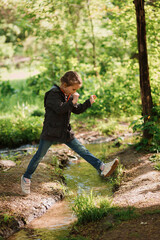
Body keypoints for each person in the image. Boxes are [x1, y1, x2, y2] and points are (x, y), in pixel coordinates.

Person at [21, 71, 119, 195]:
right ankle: (26, 177)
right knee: (39, 155)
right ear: (64, 84)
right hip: (51, 131)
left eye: (75, 90)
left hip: (64, 131)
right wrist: (72, 101)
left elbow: (76, 110)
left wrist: (88, 102)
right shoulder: (52, 94)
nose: (74, 92)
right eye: (73, 89)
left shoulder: (68, 95)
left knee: (82, 150)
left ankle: (102, 167)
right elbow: (60, 109)